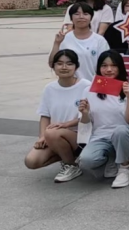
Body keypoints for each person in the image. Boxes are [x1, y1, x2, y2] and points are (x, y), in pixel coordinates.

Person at [78, 51, 129, 188]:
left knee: (120, 130)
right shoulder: (89, 90)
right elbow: (85, 122)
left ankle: (125, 169)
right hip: (100, 137)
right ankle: (111, 160)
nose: (109, 69)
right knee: (86, 161)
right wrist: (85, 113)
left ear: (120, 67)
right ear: (99, 68)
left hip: (125, 136)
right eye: (104, 65)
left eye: (113, 66)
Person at [25, 50, 92, 182]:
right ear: (53, 66)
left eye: (69, 64)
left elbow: (88, 116)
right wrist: (42, 137)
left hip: (80, 135)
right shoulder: (49, 88)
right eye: (59, 63)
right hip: (54, 135)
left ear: (76, 67)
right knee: (31, 161)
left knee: (52, 133)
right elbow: (45, 116)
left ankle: (71, 165)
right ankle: (68, 156)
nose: (64, 67)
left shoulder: (86, 86)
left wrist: (65, 125)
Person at [50, 2, 110, 81]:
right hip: (69, 84)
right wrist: (57, 43)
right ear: (71, 18)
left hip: (92, 84)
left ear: (91, 17)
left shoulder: (99, 40)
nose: (81, 17)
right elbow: (52, 63)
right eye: (77, 14)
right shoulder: (64, 39)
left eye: (85, 14)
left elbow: (107, 65)